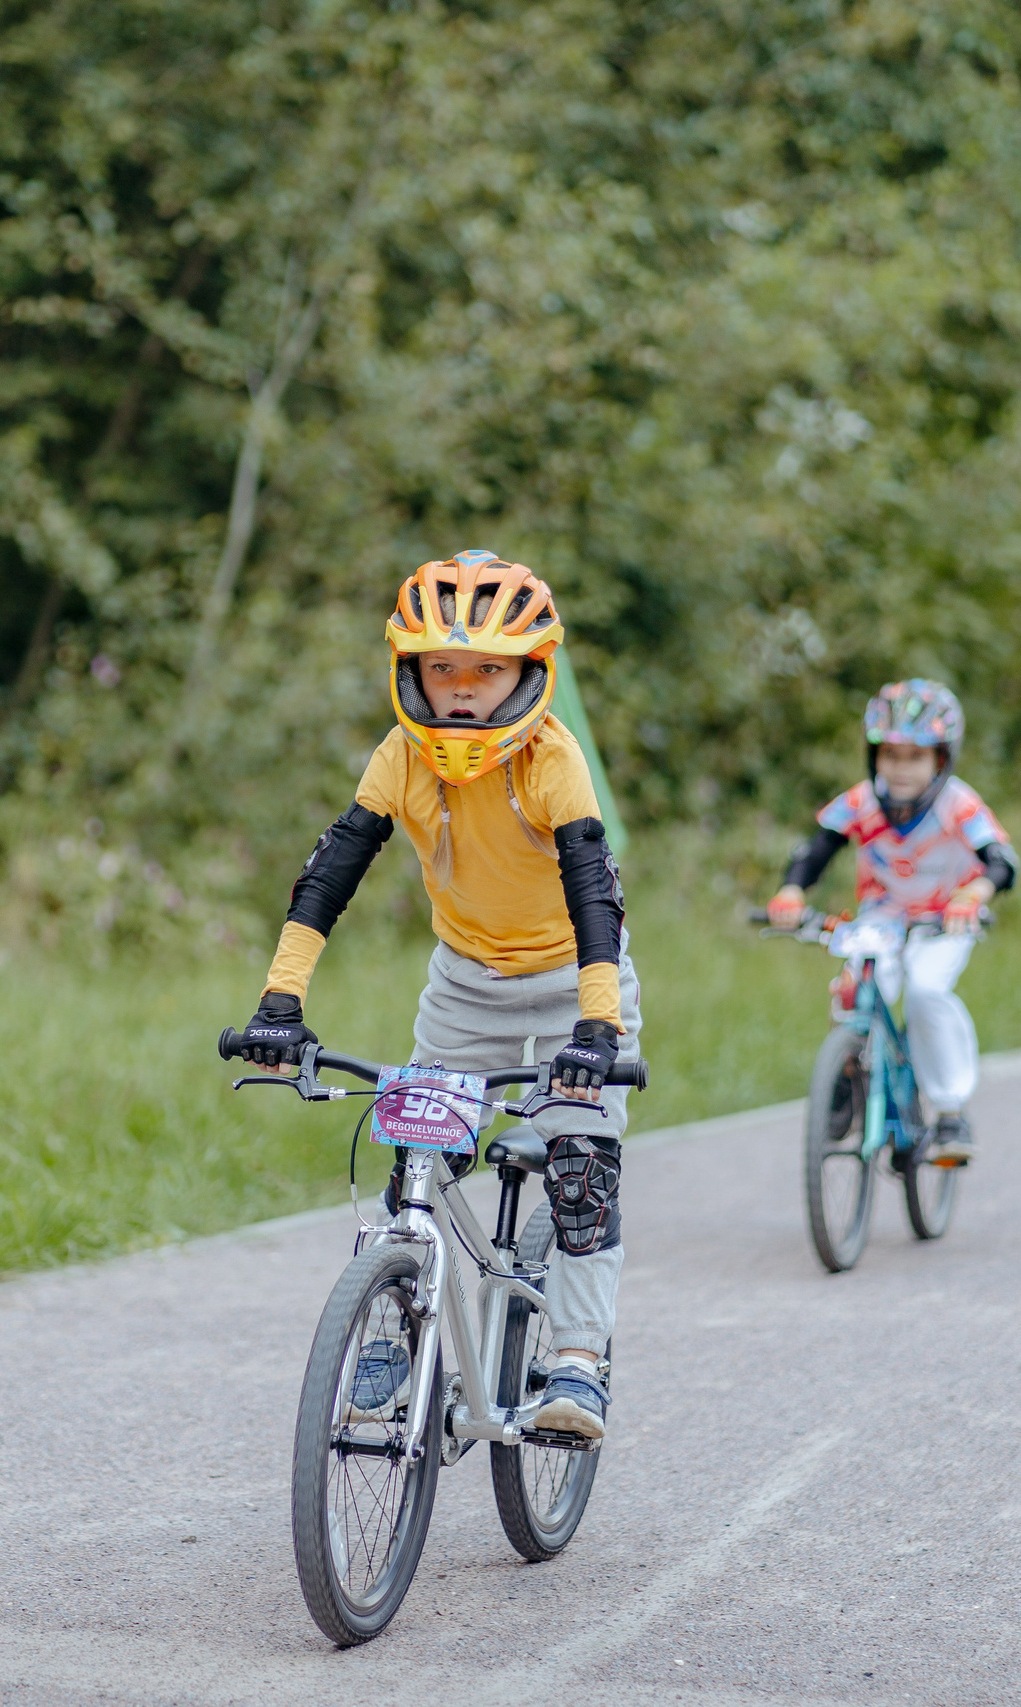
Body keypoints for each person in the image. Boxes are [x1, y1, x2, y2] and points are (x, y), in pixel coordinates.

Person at [236, 550, 639, 1442]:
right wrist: (280, 998)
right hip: (464, 985)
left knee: (581, 1171)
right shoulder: (401, 757)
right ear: (409, 670)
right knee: (418, 1162)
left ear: (527, 675)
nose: (461, 691)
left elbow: (593, 891)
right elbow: (333, 868)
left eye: (486, 670)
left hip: (577, 980)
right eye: (442, 668)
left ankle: (576, 1358)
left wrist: (599, 1023)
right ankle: (390, 1319)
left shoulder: (550, 760)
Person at [766, 679, 1014, 1167]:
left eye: (915, 757)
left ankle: (949, 1111)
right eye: (890, 755)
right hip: (884, 916)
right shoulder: (862, 801)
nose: (900, 769)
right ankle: (849, 1080)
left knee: (925, 990)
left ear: (940, 760)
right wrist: (792, 889)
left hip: (946, 919)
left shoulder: (958, 805)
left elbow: (1002, 862)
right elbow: (817, 849)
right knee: (853, 984)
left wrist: (977, 892)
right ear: (873, 756)